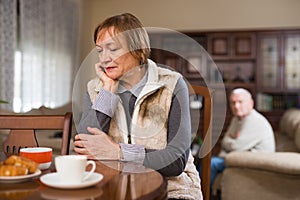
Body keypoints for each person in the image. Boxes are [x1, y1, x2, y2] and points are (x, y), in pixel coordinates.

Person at [74, 13, 201, 200]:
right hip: (112, 186)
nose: (105, 58)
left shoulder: (172, 84)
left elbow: (176, 161)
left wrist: (119, 152)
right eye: (100, 50)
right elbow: (84, 144)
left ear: (137, 49)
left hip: (171, 189)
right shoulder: (95, 88)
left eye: (113, 49)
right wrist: (107, 93)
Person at [200, 88, 275, 186]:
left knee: (211, 163)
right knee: (206, 160)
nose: (236, 106)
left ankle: (202, 194)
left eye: (240, 102)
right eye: (233, 103)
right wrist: (232, 140)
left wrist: (232, 140)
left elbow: (236, 146)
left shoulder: (255, 121)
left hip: (255, 163)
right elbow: (224, 141)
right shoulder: (237, 119)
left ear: (251, 103)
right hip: (241, 157)